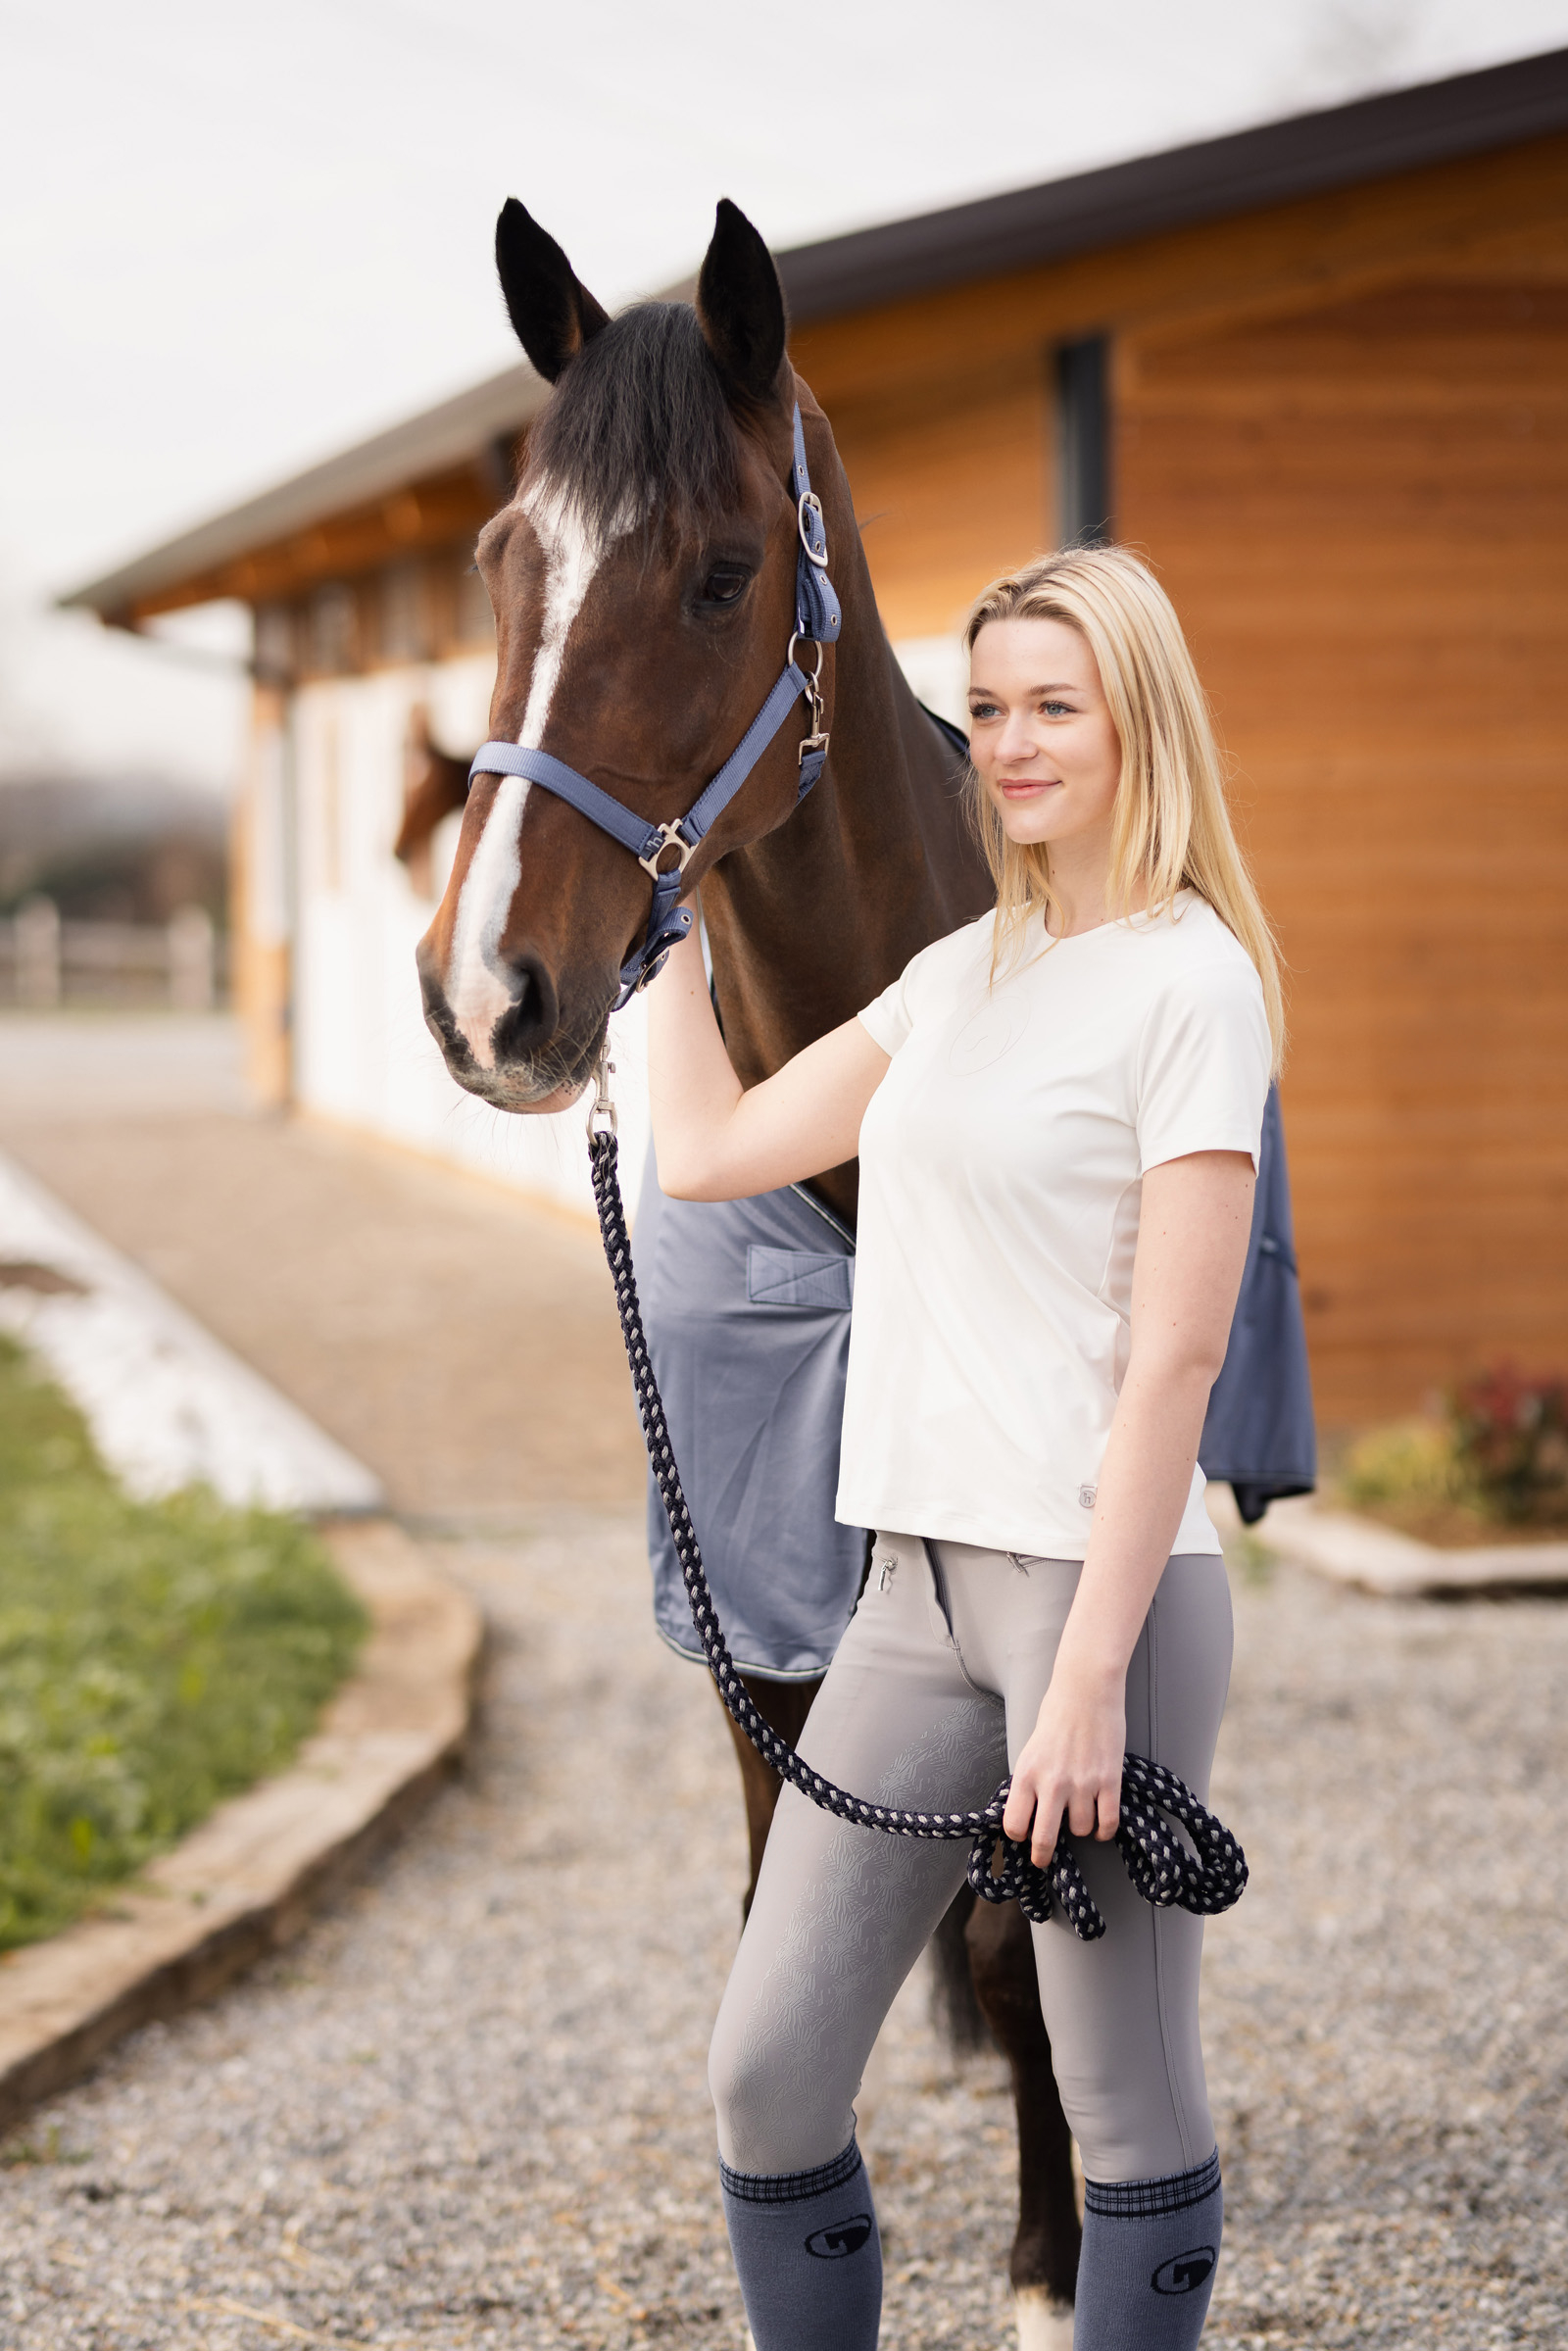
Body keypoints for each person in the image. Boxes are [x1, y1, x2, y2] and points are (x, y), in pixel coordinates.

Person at [645, 546, 1282, 2351]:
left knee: (1124, 2103)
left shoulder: (1193, 985)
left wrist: (1085, 1684)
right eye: (988, 706)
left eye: (1054, 706)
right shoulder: (958, 971)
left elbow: (1179, 1355)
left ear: (1141, 720)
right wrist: (657, 934)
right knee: (770, 2072)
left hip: (1102, 1602)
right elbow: (714, 1150)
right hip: (910, 1599)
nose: (1009, 744)